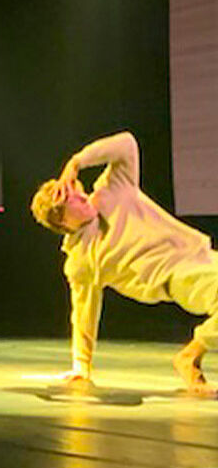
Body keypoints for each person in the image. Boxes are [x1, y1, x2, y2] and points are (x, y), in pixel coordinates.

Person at [31, 130, 218, 396]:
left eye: (76, 189)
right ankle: (191, 355)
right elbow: (84, 311)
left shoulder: (113, 189)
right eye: (70, 199)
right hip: (175, 274)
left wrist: (76, 163)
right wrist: (81, 365)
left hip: (202, 254)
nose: (80, 196)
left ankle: (191, 355)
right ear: (62, 221)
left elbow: (126, 143)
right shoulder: (81, 259)